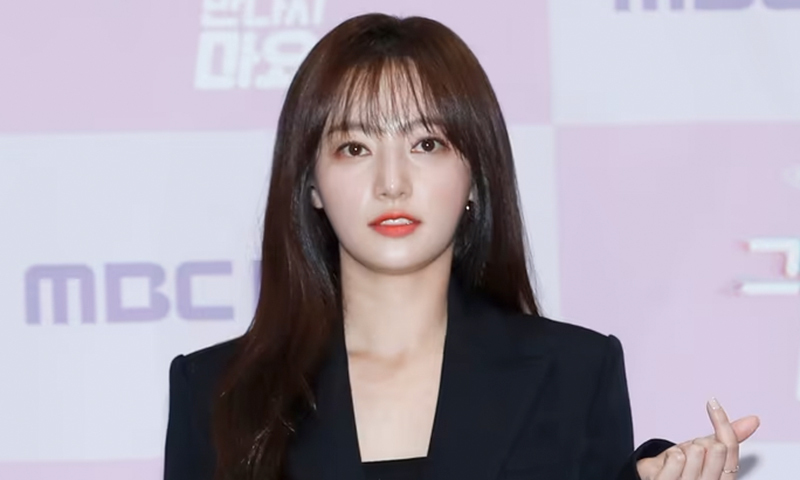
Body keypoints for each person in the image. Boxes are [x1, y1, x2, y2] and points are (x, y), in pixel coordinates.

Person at [163, 13, 760, 480]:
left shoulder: (574, 373)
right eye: (355, 148)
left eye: (426, 144)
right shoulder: (218, 392)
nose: (391, 182)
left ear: (474, 174)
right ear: (311, 184)